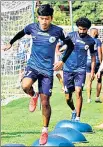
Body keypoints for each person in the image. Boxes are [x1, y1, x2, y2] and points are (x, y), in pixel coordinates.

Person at [2, 4, 74, 145]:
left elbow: (70, 46)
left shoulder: (58, 31)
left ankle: (44, 130)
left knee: (45, 102)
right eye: (41, 18)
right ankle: (33, 95)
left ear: (51, 18)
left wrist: (62, 62)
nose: (44, 22)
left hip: (47, 71)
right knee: (25, 85)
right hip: (33, 65)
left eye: (46, 19)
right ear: (38, 18)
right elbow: (21, 33)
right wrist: (10, 43)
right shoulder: (32, 27)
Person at [57, 17, 96, 122]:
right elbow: (59, 45)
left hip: (81, 69)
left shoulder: (91, 41)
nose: (82, 31)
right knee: (68, 97)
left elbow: (93, 57)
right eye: (80, 29)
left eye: (84, 29)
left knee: (78, 91)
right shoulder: (70, 36)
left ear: (87, 29)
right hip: (68, 69)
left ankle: (78, 118)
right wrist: (58, 55)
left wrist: (92, 71)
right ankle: (73, 110)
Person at [86, 28, 103, 103]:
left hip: (88, 61)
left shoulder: (86, 40)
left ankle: (89, 98)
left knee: (89, 81)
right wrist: (102, 63)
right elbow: (99, 52)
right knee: (99, 80)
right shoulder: (97, 41)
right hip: (96, 62)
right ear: (95, 33)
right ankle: (97, 97)